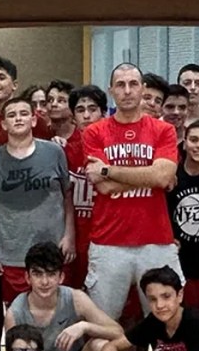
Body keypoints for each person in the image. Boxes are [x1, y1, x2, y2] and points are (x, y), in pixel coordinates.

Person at [76, 63, 181, 320]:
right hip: (108, 243)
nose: (127, 91)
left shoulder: (163, 130)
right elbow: (103, 186)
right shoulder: (94, 132)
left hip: (156, 241)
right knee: (103, 323)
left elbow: (163, 176)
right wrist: (150, 176)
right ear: (111, 90)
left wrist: (108, 170)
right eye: (120, 85)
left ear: (143, 89)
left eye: (133, 84)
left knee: (166, 322)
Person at [0, 101, 73, 307]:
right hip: (11, 252)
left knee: (55, 313)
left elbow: (67, 195)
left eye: (23, 113)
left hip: (52, 248)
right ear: (4, 124)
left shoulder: (54, 152)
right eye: (12, 115)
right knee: (18, 314)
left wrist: (69, 235)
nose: (18, 118)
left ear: (34, 120)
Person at [168, 120, 199, 310]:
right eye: (194, 140)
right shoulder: (171, 175)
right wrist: (167, 237)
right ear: (184, 144)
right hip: (175, 260)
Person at [64, 84, 107, 288]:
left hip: (105, 237)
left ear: (104, 113)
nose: (87, 115)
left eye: (93, 109)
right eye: (80, 110)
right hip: (74, 237)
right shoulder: (64, 151)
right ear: (73, 117)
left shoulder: (113, 151)